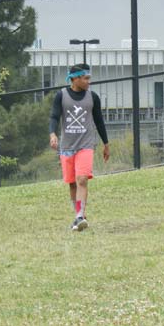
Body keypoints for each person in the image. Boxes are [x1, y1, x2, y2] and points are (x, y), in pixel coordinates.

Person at [49, 63, 110, 231]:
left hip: (86, 144)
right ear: (75, 79)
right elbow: (54, 116)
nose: (88, 81)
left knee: (82, 179)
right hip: (67, 146)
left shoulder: (93, 97)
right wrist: (52, 134)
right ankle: (78, 215)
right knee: (72, 184)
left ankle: (80, 216)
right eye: (86, 78)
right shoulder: (61, 95)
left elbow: (99, 121)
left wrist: (106, 144)